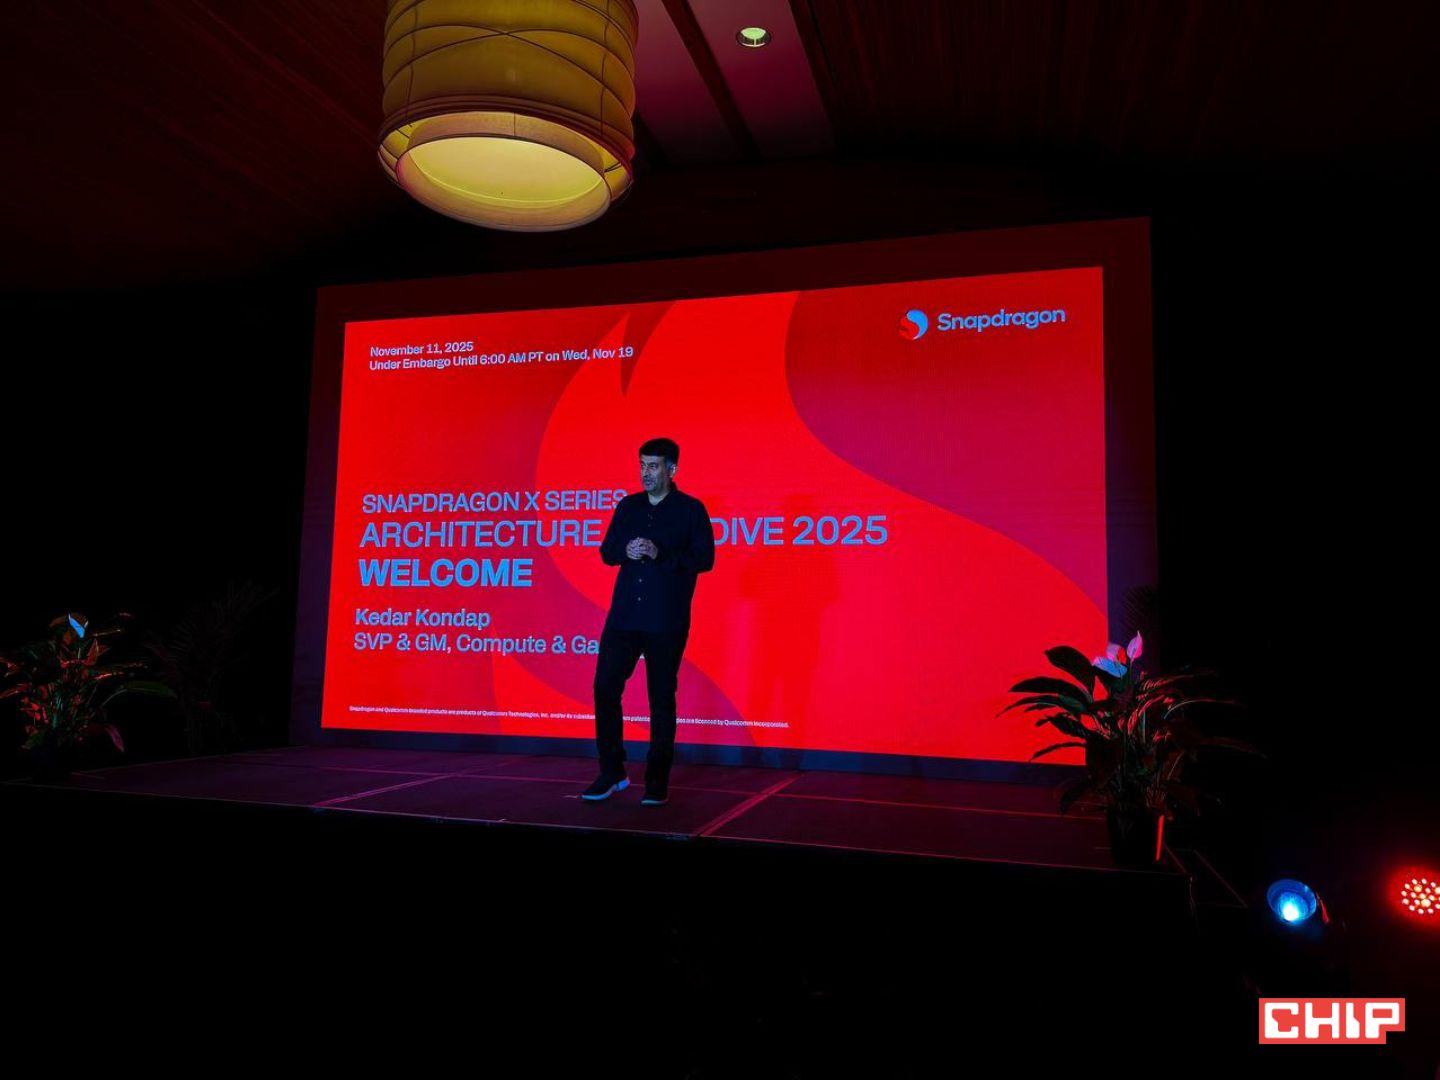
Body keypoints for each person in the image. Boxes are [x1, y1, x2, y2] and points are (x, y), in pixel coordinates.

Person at [582, 437, 715, 805]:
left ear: (672, 469)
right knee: (605, 688)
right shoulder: (629, 506)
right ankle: (612, 772)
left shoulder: (690, 510)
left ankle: (657, 781)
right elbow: (607, 552)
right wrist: (624, 550)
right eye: (642, 465)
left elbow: (704, 559)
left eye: (653, 466)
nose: (646, 473)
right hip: (625, 616)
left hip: (665, 618)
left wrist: (661, 553)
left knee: (661, 698)